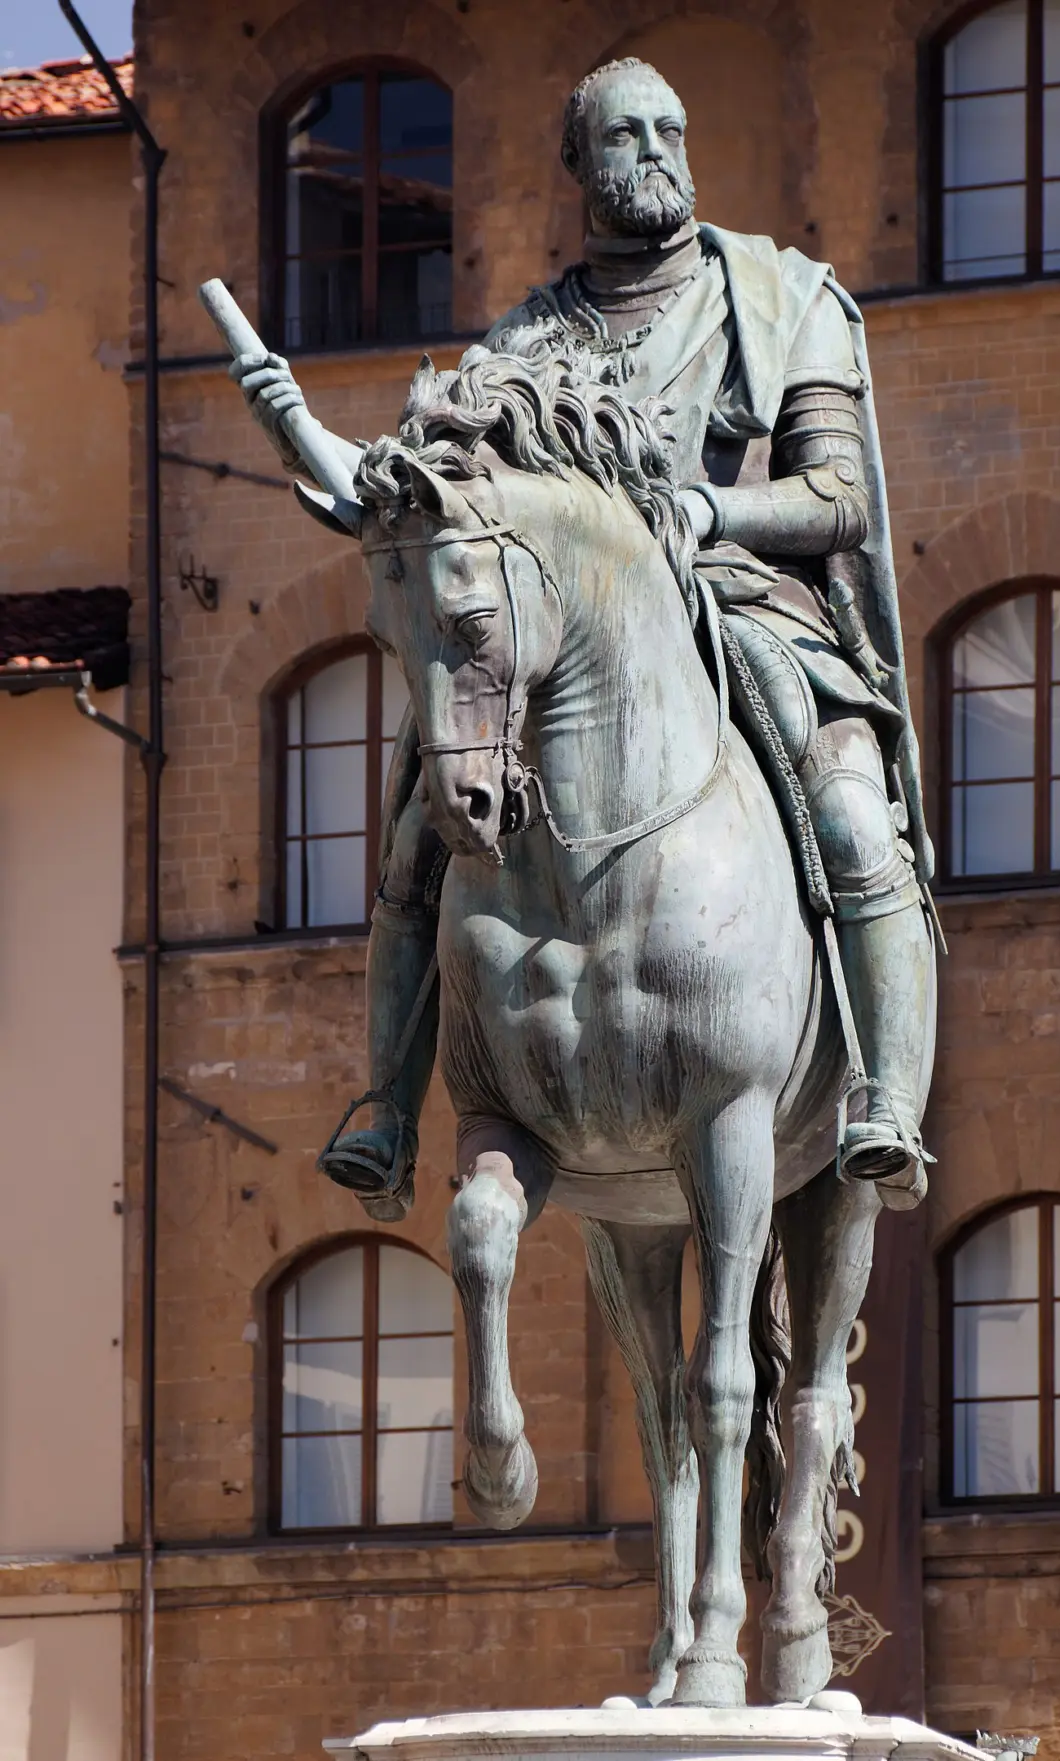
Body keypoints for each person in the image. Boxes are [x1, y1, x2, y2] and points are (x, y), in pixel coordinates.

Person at [233, 57, 936, 1219]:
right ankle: (389, 1110)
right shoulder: (519, 346)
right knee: (419, 817)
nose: (656, 150)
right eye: (624, 135)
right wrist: (298, 425)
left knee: (856, 814)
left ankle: (884, 1100)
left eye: (672, 128)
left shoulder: (782, 298)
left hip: (751, 605)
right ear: (578, 166)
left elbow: (836, 498)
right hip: (570, 641)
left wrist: (711, 509)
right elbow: (427, 496)